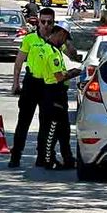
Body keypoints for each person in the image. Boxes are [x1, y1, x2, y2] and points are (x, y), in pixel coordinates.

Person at [8, 7, 57, 168]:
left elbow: (70, 53)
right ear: (38, 22)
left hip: (48, 86)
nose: (46, 25)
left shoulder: (57, 39)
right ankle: (16, 156)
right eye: (43, 22)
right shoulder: (29, 39)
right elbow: (19, 62)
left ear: (53, 22)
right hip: (31, 83)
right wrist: (16, 83)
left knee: (46, 122)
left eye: (49, 22)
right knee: (24, 121)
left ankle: (42, 156)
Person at [41, 21, 81, 169]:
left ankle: (68, 158)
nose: (65, 41)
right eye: (65, 38)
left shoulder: (55, 49)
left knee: (64, 130)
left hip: (59, 93)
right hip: (53, 93)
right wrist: (75, 72)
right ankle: (48, 160)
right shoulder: (51, 52)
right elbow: (58, 76)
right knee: (53, 129)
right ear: (61, 34)